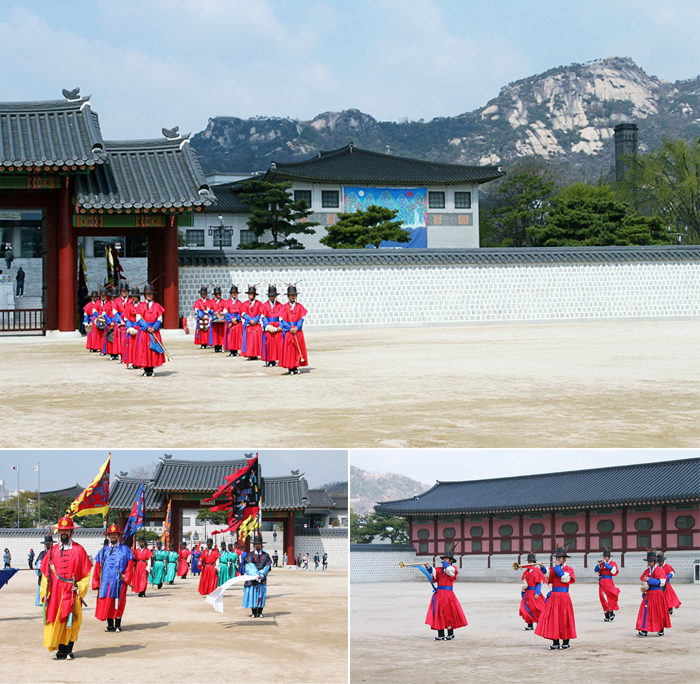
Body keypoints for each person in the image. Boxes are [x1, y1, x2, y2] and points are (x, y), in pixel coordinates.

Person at [39, 516, 92, 660]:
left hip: (72, 591)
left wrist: (80, 586)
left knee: (72, 620)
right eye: (61, 530)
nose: (64, 533)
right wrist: (44, 591)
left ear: (71, 532)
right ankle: (60, 651)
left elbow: (87, 574)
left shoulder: (79, 550)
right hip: (56, 592)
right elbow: (45, 574)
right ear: (58, 532)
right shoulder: (52, 551)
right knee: (57, 620)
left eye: (67, 530)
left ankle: (69, 650)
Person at [92, 523, 134, 633]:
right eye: (111, 535)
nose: (113, 537)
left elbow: (130, 565)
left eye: (115, 534)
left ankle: (118, 625)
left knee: (119, 602)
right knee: (107, 602)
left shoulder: (125, 550)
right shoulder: (103, 550)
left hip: (119, 581)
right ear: (108, 536)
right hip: (106, 582)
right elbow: (97, 567)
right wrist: (96, 582)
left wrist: (126, 577)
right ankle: (110, 625)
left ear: (119, 535)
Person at [535, 546, 576, 650]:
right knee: (554, 618)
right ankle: (555, 641)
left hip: (564, 597)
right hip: (554, 597)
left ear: (564, 559)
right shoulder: (553, 569)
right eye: (556, 557)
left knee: (565, 618)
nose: (557, 559)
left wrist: (557, 567)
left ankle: (566, 641)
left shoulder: (569, 569)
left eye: (559, 557)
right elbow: (547, 576)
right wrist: (542, 568)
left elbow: (564, 578)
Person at [423, 549, 467, 641]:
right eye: (444, 558)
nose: (445, 560)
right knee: (439, 613)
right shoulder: (439, 569)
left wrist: (446, 564)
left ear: (450, 561)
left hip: (448, 595)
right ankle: (441, 633)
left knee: (449, 613)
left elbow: (450, 571)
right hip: (439, 595)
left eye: (447, 558)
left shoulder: (453, 568)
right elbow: (434, 573)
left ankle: (450, 634)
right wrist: (428, 567)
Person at [637, 550, 671, 637]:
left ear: (655, 561)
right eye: (648, 561)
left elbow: (661, 582)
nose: (649, 563)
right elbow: (643, 581)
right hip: (649, 594)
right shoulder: (647, 571)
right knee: (645, 611)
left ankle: (660, 629)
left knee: (659, 612)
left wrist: (649, 580)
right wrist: (644, 591)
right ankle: (644, 630)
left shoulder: (660, 570)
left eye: (651, 561)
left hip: (657, 593)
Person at [134, 284, 165, 377]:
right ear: (144, 295)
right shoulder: (140, 306)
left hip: (154, 331)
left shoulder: (157, 306)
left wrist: (154, 328)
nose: (149, 296)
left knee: (153, 350)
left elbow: (160, 319)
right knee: (144, 350)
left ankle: (151, 369)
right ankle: (145, 369)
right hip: (144, 331)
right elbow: (138, 318)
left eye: (150, 294)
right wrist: (146, 327)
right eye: (147, 294)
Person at [279, 285, 308, 375]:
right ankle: (290, 367)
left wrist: (297, 327)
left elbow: (301, 319)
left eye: (294, 295)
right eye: (291, 295)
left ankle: (296, 366)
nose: (292, 296)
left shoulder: (299, 307)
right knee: (289, 350)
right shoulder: (284, 307)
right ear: (288, 296)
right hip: (289, 331)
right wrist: (289, 328)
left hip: (297, 331)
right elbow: (282, 320)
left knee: (297, 349)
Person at [242, 535, 272, 618]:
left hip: (261, 579)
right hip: (253, 578)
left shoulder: (266, 556)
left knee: (261, 595)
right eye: (256, 544)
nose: (258, 545)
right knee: (253, 595)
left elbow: (267, 567)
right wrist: (255, 575)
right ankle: (253, 612)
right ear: (254, 545)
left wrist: (261, 575)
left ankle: (260, 612)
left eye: (259, 544)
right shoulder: (249, 555)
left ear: (262, 545)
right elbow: (249, 567)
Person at [519, 553, 547, 630]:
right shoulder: (526, 572)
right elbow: (524, 583)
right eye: (529, 562)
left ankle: (539, 623)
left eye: (531, 561)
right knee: (526, 608)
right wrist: (523, 592)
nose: (530, 563)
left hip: (534, 592)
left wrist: (537, 593)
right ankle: (530, 624)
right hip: (527, 593)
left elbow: (539, 583)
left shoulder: (537, 571)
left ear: (534, 561)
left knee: (538, 608)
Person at [594, 548, 620, 622]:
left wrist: (606, 564)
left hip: (609, 582)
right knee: (603, 598)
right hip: (602, 583)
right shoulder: (602, 564)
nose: (605, 557)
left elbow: (613, 571)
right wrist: (599, 564)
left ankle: (611, 613)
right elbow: (595, 570)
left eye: (606, 556)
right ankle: (606, 615)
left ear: (609, 557)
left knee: (610, 598)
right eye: (604, 556)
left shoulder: (613, 563)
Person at [262, 285, 284, 367]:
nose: (272, 298)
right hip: (269, 326)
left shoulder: (280, 305)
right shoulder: (264, 305)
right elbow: (263, 317)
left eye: (274, 296)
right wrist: (267, 326)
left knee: (277, 344)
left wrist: (280, 326)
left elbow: (282, 317)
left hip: (277, 326)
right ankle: (270, 360)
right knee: (269, 344)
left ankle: (276, 359)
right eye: (271, 296)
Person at [241, 285, 263, 360]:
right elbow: (243, 313)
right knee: (249, 341)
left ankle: (256, 354)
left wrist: (255, 320)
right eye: (249, 294)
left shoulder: (259, 303)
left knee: (256, 340)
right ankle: (250, 354)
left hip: (256, 324)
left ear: (254, 295)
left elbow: (260, 313)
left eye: (251, 294)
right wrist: (250, 319)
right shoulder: (245, 304)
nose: (249, 296)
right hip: (249, 324)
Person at [657, 551, 682, 616]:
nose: (659, 563)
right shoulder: (657, 568)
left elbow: (672, 573)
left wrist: (666, 577)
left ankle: (670, 608)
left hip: (667, 584)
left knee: (668, 598)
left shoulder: (667, 566)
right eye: (658, 561)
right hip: (660, 585)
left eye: (660, 561)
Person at [122, 287, 141, 369]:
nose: (133, 298)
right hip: (132, 327)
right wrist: (129, 327)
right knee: (132, 346)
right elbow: (126, 318)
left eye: (135, 296)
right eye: (132, 296)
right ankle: (133, 362)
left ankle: (141, 362)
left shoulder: (142, 305)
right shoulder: (128, 306)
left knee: (140, 346)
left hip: (140, 328)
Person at [35, 535, 53, 607]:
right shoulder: (42, 553)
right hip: (43, 577)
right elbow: (39, 562)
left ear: (52, 543)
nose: (47, 545)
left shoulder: (55, 552)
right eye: (46, 544)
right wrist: (40, 567)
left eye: (49, 543)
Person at [224, 285, 242, 356]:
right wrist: (231, 319)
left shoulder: (240, 303)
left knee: (237, 337)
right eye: (233, 293)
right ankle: (231, 351)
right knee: (230, 337)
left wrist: (236, 318)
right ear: (231, 294)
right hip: (230, 321)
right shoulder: (227, 302)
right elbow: (225, 311)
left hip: (237, 321)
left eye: (235, 293)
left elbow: (241, 312)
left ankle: (236, 351)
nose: (234, 294)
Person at [208, 286, 227, 352]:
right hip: (214, 319)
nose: (219, 295)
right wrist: (213, 312)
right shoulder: (211, 301)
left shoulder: (223, 301)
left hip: (221, 319)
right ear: (215, 294)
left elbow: (225, 309)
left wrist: (223, 312)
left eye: (220, 294)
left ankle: (221, 346)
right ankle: (216, 346)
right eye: (218, 294)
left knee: (221, 333)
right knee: (215, 333)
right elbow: (209, 310)